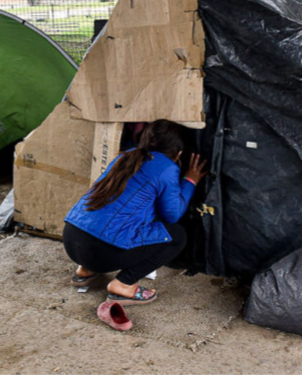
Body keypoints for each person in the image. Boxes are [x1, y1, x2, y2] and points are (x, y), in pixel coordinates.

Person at [63, 120, 208, 305]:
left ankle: (85, 271)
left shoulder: (126, 156)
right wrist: (190, 181)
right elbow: (172, 214)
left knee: (112, 218)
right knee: (176, 236)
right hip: (102, 252)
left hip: (71, 240)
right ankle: (123, 284)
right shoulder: (167, 167)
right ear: (179, 152)